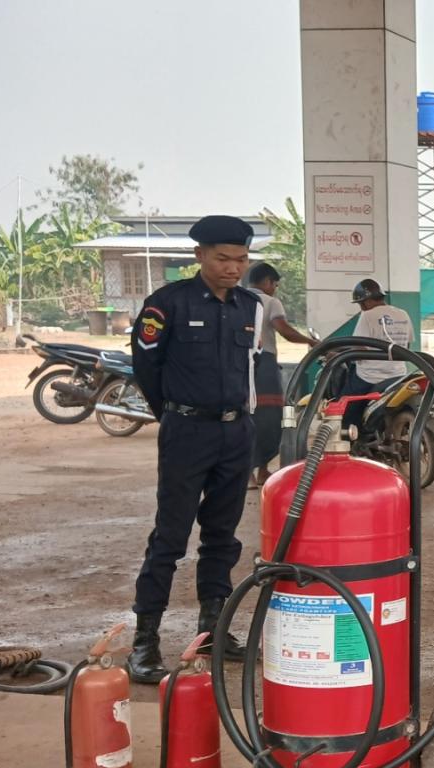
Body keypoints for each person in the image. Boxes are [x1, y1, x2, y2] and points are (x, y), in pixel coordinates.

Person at [126, 215, 262, 683]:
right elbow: (146, 367)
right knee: (170, 536)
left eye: (241, 259)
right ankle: (144, 641)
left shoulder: (250, 306)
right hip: (186, 431)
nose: (233, 268)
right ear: (199, 255)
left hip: (236, 433)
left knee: (222, 535)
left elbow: (252, 368)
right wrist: (173, 413)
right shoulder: (167, 304)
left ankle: (212, 631)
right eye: (223, 258)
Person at [245, 262, 316, 487]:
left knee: (245, 415)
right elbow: (284, 330)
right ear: (267, 282)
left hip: (236, 365)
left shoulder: (236, 298)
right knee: (270, 417)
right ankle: (256, 470)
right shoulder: (269, 301)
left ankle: (256, 471)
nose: (274, 289)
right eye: (274, 284)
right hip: (263, 364)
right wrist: (312, 342)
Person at [343, 278, 414, 432]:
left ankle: (350, 435)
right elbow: (407, 346)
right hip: (398, 375)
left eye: (361, 304)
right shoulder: (403, 314)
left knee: (346, 406)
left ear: (366, 301)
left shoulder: (368, 315)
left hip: (370, 378)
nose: (361, 307)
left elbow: (358, 349)